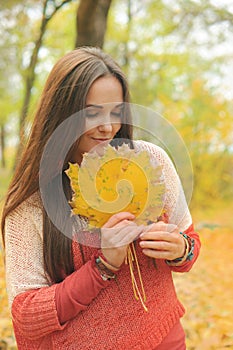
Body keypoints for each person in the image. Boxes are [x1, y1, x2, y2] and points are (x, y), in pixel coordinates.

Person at [1, 47, 201, 350]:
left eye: (116, 111)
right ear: (62, 114)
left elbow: (190, 247)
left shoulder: (152, 162)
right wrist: (103, 265)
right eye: (92, 113)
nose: (108, 126)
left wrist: (179, 249)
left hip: (164, 338)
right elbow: (27, 313)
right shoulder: (32, 204)